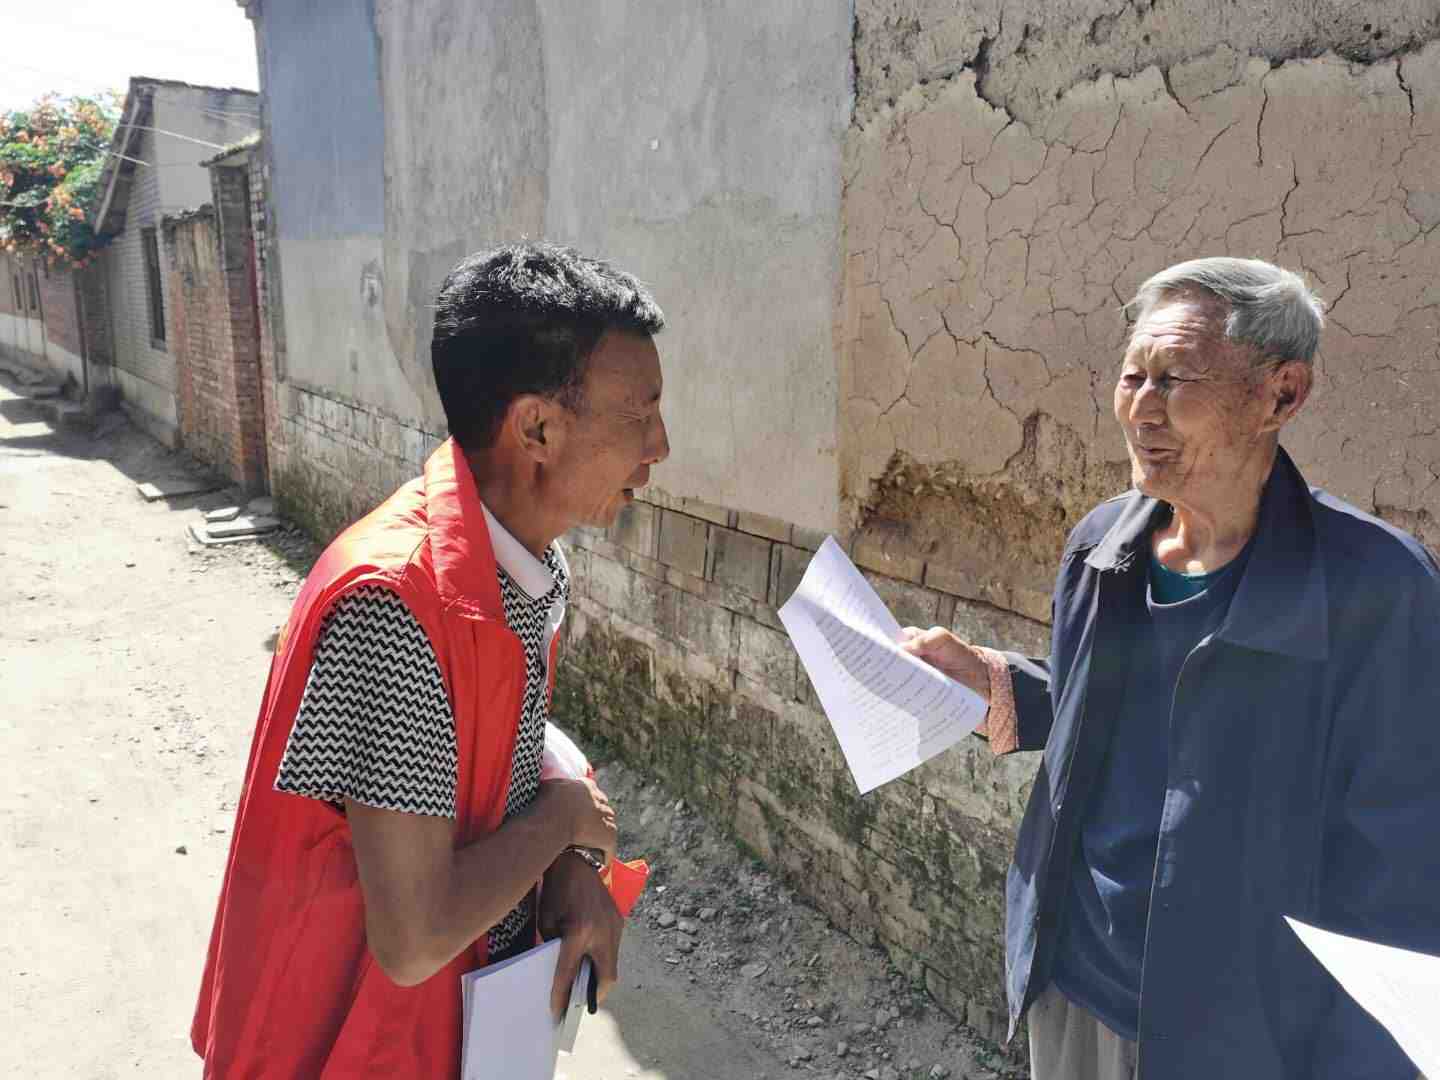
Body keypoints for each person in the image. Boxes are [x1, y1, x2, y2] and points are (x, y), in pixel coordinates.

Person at [901, 257, 1440, 1079]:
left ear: (1280, 395)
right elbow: (1131, 709)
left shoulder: (1378, 588)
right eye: (1132, 377)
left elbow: (1402, 868)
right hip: (1078, 984)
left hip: (1251, 1037)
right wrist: (995, 684)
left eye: (1175, 380)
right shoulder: (1102, 547)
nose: (1142, 409)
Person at [192, 242, 671, 1078]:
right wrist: (559, 823)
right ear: (536, 428)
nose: (659, 445)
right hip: (343, 1042)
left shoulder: (525, 561)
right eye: (640, 414)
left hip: (450, 1033)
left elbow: (491, 737)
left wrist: (566, 859)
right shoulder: (395, 604)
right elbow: (413, 938)